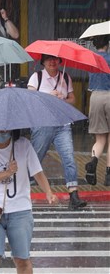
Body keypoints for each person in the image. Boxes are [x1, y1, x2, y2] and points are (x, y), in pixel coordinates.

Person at [0, 129, 59, 274]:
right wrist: (7, 172)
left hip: (20, 210)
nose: (0, 132)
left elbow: (37, 171)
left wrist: (48, 192)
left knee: (22, 260)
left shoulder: (23, 145)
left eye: (4, 129)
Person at [27, 54, 87, 210]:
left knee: (69, 158)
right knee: (35, 158)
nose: (52, 62)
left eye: (55, 59)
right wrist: (47, 96)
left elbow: (72, 99)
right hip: (43, 124)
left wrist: (63, 98)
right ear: (43, 62)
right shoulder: (37, 77)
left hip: (63, 124)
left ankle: (73, 196)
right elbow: (29, 98)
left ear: (60, 61)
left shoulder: (65, 77)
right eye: (48, 59)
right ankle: (22, 189)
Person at [85, 34, 110, 186]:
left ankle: (93, 162)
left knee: (100, 139)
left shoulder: (91, 59)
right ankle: (108, 176)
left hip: (95, 97)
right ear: (107, 43)